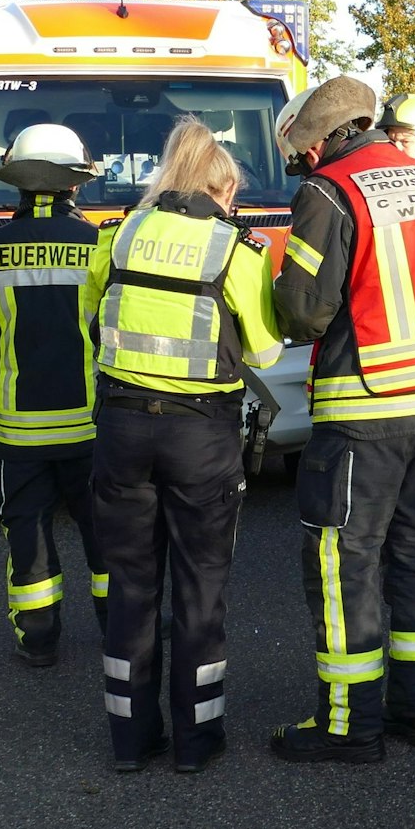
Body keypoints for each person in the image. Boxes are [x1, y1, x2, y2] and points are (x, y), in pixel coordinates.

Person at [270, 75, 415, 764]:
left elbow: (304, 310)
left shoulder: (329, 190)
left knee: (345, 561)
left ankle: (349, 725)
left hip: (368, 405)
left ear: (316, 143)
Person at [84, 116, 280, 774]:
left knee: (132, 586)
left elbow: (96, 323)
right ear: (221, 190)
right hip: (200, 435)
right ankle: (198, 743)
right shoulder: (234, 250)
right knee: (200, 589)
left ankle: (130, 742)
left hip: (121, 429)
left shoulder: (114, 238)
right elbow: (265, 348)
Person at [0, 124, 108, 668]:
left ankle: (38, 639)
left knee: (27, 535)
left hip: (17, 429)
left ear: (16, 183)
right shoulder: (99, 245)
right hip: (92, 427)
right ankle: (121, 629)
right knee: (106, 535)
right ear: (75, 185)